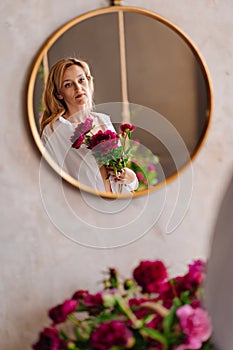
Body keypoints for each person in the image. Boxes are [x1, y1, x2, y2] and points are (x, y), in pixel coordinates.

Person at [40, 57, 138, 194]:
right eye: (68, 84)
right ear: (59, 93)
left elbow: (124, 179)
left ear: (88, 81)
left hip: (121, 206)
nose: (78, 88)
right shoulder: (54, 131)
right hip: (87, 210)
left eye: (81, 80)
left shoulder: (103, 120)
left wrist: (132, 178)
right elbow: (49, 183)